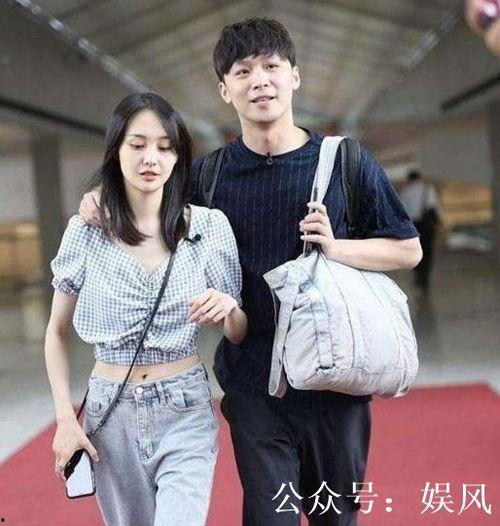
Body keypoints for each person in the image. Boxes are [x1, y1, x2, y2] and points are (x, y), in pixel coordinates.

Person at [80, 19, 422, 525]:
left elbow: (407, 249)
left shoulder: (345, 161)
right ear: (225, 90)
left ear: (294, 77)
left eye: (271, 67)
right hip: (253, 383)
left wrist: (336, 247)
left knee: (335, 517)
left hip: (335, 382)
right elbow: (146, 201)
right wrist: (100, 198)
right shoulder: (208, 175)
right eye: (243, 71)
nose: (259, 80)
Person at [45, 92, 246, 526]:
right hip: (109, 413)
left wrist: (229, 306)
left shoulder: (208, 227)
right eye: (137, 145)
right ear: (116, 151)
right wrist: (64, 419)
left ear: (178, 157)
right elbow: (56, 332)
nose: (150, 158)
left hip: (184, 406)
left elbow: (238, 331)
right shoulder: (86, 231)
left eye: (164, 147)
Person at [399, 170, 442, 293]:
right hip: (426, 226)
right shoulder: (427, 189)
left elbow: (402, 211)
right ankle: (425, 278)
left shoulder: (405, 191)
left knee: (415, 252)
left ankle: (418, 276)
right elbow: (434, 208)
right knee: (427, 252)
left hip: (412, 227)